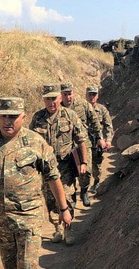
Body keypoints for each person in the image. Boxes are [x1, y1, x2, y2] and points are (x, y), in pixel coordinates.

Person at [0, 97, 72, 269]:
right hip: (2, 221)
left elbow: (53, 177)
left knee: (27, 266)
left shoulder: (35, 143)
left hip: (29, 218)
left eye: (13, 117)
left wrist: (63, 209)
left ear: (23, 117)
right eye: (4, 116)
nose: (7, 121)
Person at [29, 85, 88, 246]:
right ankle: (57, 227)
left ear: (60, 98)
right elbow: (30, 141)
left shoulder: (70, 116)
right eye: (47, 99)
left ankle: (68, 228)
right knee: (50, 199)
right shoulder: (38, 117)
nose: (51, 102)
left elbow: (81, 139)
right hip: (45, 168)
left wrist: (83, 162)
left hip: (65, 166)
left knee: (67, 197)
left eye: (53, 98)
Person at [60, 83, 105, 207]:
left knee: (86, 171)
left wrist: (100, 138)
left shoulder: (83, 104)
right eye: (65, 94)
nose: (68, 97)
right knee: (68, 173)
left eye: (70, 94)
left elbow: (94, 120)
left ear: (73, 93)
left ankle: (84, 191)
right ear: (61, 95)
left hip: (83, 144)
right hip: (65, 146)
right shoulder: (57, 108)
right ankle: (72, 196)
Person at [85, 86, 114, 193]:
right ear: (86, 95)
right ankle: (84, 188)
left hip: (97, 144)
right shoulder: (81, 109)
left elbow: (108, 126)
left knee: (96, 165)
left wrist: (108, 140)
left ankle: (96, 183)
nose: (92, 96)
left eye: (94, 94)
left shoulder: (102, 110)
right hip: (84, 143)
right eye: (90, 94)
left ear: (97, 96)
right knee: (84, 166)